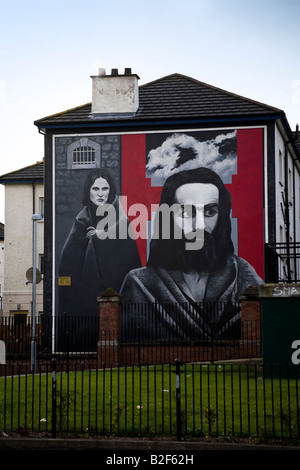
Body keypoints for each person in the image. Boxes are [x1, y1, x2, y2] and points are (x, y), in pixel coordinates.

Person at [120, 167, 263, 340]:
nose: (200, 226)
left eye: (210, 212)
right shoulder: (140, 283)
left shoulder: (243, 276)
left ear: (222, 217)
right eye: (187, 212)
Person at [58, 168, 141, 350]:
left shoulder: (122, 221)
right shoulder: (81, 222)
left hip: (119, 299)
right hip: (85, 306)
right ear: (88, 190)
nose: (101, 194)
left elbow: (132, 264)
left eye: (105, 188)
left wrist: (100, 236)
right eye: (96, 189)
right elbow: (67, 268)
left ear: (111, 190)